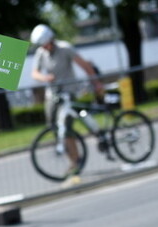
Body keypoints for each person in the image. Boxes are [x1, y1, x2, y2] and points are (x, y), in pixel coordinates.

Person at [30, 24, 104, 174]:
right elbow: (34, 73)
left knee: (66, 127)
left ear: (51, 39)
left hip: (68, 94)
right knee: (56, 129)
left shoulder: (65, 48)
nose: (44, 48)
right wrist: (45, 78)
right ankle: (74, 159)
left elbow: (84, 65)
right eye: (42, 46)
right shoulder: (40, 53)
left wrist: (96, 83)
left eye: (46, 45)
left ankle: (75, 161)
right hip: (52, 95)